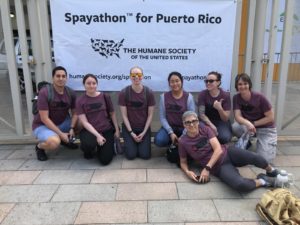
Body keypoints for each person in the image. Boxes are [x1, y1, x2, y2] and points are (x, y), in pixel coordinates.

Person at [178, 111, 280, 192]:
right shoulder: (183, 142)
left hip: (228, 152)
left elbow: (218, 149)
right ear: (184, 125)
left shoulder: (205, 129)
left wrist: (207, 168)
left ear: (198, 121)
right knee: (240, 185)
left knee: (255, 157)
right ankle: (263, 181)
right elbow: (183, 162)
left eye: (194, 121)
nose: (191, 124)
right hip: (219, 167)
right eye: (188, 122)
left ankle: (271, 171)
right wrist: (187, 172)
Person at [32, 66, 78, 161]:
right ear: (53, 78)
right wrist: (61, 134)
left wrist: (72, 128)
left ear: (66, 78)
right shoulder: (44, 92)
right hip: (43, 125)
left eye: (63, 76)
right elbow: (44, 118)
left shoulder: (70, 92)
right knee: (53, 143)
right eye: (58, 76)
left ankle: (64, 140)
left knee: (81, 123)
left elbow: (75, 113)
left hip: (63, 123)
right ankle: (40, 147)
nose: (61, 78)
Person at [232, 73, 277, 163]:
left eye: (245, 83)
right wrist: (248, 124)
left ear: (249, 84)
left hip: (266, 129)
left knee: (264, 160)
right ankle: (248, 142)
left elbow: (271, 117)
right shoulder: (236, 98)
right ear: (236, 86)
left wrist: (253, 124)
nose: (243, 86)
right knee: (235, 126)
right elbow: (237, 116)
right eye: (240, 84)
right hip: (250, 127)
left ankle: (267, 143)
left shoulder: (260, 97)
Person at [76, 74, 120, 165]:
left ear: (97, 84)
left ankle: (102, 147)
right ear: (84, 85)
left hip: (106, 129)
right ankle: (88, 150)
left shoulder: (105, 97)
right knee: (88, 144)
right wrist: (98, 135)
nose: (91, 86)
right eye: (88, 83)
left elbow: (112, 114)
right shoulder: (80, 101)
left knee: (105, 160)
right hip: (90, 131)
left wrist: (116, 130)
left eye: (94, 83)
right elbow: (84, 122)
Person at [118, 66, 155, 160]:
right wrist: (131, 133)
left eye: (139, 74)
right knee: (131, 156)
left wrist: (144, 132)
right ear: (130, 77)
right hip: (129, 128)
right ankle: (131, 144)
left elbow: (150, 115)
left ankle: (136, 144)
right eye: (133, 75)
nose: (136, 77)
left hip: (144, 128)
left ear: (142, 76)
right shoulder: (123, 93)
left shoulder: (149, 92)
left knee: (145, 156)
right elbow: (124, 116)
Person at [155, 71, 195, 147]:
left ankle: (179, 144)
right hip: (169, 127)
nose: (175, 84)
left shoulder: (189, 97)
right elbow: (162, 117)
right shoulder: (163, 97)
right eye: (172, 82)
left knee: (191, 141)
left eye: (177, 81)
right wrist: (170, 132)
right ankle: (173, 143)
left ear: (181, 82)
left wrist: (183, 135)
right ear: (169, 84)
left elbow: (191, 118)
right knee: (159, 141)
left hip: (185, 128)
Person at [197, 71, 232, 144]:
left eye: (211, 81)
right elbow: (201, 114)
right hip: (206, 121)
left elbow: (225, 118)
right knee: (200, 134)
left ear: (218, 82)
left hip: (221, 122)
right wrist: (211, 125)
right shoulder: (202, 94)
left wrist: (220, 109)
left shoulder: (225, 96)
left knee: (224, 138)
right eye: (206, 81)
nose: (208, 83)